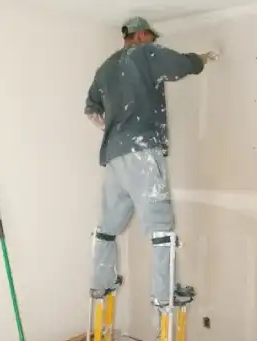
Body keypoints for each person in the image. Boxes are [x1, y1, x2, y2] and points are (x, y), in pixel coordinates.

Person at [84, 16, 217, 310]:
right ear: (142, 35)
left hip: (114, 156)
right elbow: (181, 65)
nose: (153, 42)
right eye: (151, 38)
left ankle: (100, 282)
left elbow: (91, 110)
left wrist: (117, 130)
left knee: (107, 226)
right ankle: (165, 293)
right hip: (142, 152)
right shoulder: (144, 53)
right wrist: (202, 59)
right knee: (160, 226)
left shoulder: (104, 68)